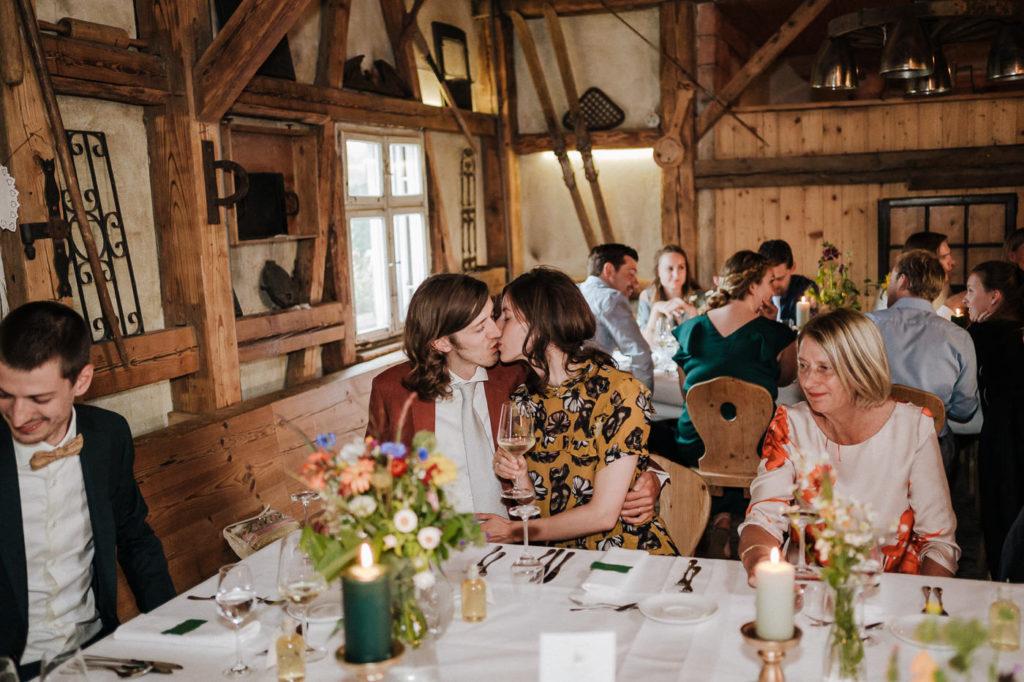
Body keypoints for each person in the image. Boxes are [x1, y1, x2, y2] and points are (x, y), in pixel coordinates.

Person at [366, 273, 660, 522]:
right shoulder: (394, 391)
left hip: (517, 543)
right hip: (435, 549)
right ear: (442, 342)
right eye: (480, 327)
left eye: (494, 315)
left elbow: (603, 417)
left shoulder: (516, 373)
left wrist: (653, 479)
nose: (496, 331)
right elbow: (372, 480)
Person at [0, 301, 175, 679]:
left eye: (39, 399)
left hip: (98, 650)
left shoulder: (107, 436)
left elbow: (135, 538)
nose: (18, 416)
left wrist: (173, 629)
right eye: (5, 395)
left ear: (81, 381)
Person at [738, 309, 960, 585]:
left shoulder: (912, 428)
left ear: (860, 368)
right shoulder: (791, 425)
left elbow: (939, 543)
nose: (807, 382)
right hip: (808, 587)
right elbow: (763, 519)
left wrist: (926, 610)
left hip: (893, 593)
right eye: (804, 366)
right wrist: (760, 561)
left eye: (824, 368)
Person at [481, 268, 677, 554]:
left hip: (626, 555)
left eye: (507, 317)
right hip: (560, 558)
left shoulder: (619, 392)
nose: (497, 328)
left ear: (539, 323)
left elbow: (604, 515)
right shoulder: (523, 401)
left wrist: (513, 531)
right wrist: (520, 475)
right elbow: (536, 511)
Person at [670, 250, 797, 467]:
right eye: (769, 281)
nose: (773, 288)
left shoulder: (690, 330)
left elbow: (687, 395)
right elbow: (786, 379)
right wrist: (770, 326)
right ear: (753, 287)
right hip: (757, 446)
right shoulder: (776, 335)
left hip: (697, 444)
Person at [866, 249, 979, 475]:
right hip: (931, 448)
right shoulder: (958, 337)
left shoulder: (865, 325)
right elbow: (964, 410)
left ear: (903, 280)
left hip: (872, 444)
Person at [963, 260, 1024, 576]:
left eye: (972, 291)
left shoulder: (981, 335)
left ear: (995, 297)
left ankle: (1003, 581)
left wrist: (972, 330)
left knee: (1001, 511)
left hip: (1003, 434)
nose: (965, 299)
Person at [579, 243, 654, 391]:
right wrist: (644, 403)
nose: (636, 282)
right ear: (608, 270)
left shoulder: (574, 291)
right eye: (630, 274)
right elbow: (639, 354)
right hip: (593, 393)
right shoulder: (611, 298)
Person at [878, 231, 959, 318]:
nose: (952, 262)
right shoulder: (890, 293)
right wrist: (949, 306)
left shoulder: (942, 286)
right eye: (943, 257)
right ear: (922, 261)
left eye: (949, 255)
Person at [636, 245, 705, 343]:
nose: (676, 274)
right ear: (658, 272)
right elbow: (645, 344)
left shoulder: (699, 297)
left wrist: (692, 312)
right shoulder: (647, 296)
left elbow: (703, 341)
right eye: (670, 268)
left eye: (681, 267)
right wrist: (656, 309)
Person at [758, 239, 817, 326]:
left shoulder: (805, 289)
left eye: (780, 278)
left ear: (793, 268)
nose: (775, 285)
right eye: (770, 280)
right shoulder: (755, 293)